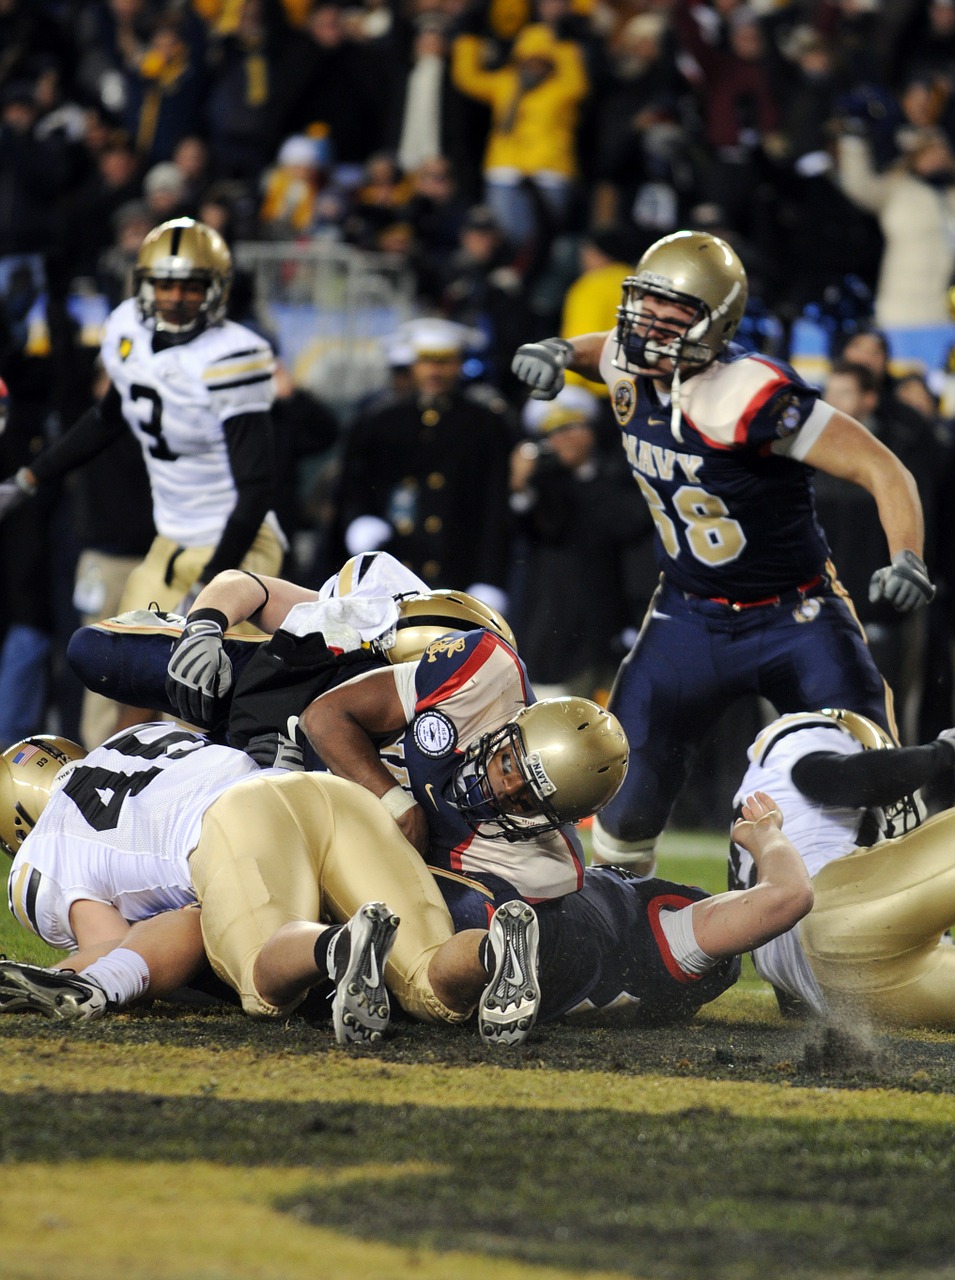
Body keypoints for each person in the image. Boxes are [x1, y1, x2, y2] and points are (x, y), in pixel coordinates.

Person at [510, 228, 934, 874]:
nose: (644, 328)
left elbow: (883, 468)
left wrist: (906, 554)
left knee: (867, 777)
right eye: (642, 308)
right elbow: (601, 352)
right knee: (621, 801)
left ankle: (890, 917)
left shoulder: (752, 395)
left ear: (714, 324)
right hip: (689, 613)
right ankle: (625, 945)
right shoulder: (626, 364)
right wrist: (559, 348)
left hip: (795, 612)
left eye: (669, 314)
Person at [0, 723, 488, 1042]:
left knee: (261, 980)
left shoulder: (42, 853)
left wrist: (73, 976)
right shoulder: (138, 734)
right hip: (330, 794)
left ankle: (337, 945)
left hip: (241, 824)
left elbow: (119, 945)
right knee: (430, 985)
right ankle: (496, 953)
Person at [0, 217, 286, 623]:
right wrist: (30, 477)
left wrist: (212, 582)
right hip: (172, 541)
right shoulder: (127, 329)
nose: (176, 297)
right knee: (114, 669)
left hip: (240, 544)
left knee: (211, 676)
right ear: (144, 285)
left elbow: (256, 487)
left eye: (191, 286)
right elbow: (105, 419)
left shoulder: (232, 356)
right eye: (165, 285)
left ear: (216, 289)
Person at [728, 707, 955, 1027]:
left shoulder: (759, 825)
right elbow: (857, 777)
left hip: (846, 996)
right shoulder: (802, 741)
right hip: (831, 914)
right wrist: (945, 750)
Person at [326, 317, 514, 610]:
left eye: (445, 361)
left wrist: (489, 577)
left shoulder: (485, 425)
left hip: (456, 560)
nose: (435, 371)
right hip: (391, 559)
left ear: (459, 364)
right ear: (413, 364)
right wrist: (358, 519)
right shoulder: (379, 421)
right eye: (427, 361)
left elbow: (494, 505)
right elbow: (354, 482)